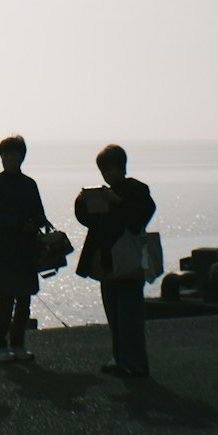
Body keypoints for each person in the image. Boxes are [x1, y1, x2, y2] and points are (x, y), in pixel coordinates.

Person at [74, 143, 156, 378]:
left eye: (109, 170)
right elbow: (88, 220)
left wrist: (116, 201)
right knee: (115, 315)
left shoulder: (137, 190)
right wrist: (82, 201)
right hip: (108, 262)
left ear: (121, 167)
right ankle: (120, 359)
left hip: (127, 260)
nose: (106, 175)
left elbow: (139, 218)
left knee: (130, 316)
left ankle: (135, 363)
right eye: (103, 170)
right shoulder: (105, 194)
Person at [0, 135, 47, 363]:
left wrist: (33, 223)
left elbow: (40, 214)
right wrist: (18, 222)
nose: (10, 158)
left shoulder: (30, 184)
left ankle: (18, 344)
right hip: (4, 248)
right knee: (5, 300)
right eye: (6, 154)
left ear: (22, 157)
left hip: (25, 248)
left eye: (14, 154)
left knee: (24, 300)